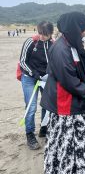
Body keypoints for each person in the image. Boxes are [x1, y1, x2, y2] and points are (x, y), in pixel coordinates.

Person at [40, 12, 85, 173]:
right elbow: (69, 80)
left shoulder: (72, 44)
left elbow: (78, 70)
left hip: (77, 102)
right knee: (67, 142)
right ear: (76, 29)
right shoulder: (60, 48)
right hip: (66, 106)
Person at [19, 21, 54, 150]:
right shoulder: (31, 42)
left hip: (45, 79)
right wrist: (34, 73)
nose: (42, 37)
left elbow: (55, 62)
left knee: (47, 104)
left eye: (45, 34)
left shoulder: (53, 44)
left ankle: (44, 128)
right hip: (29, 78)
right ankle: (30, 134)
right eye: (40, 33)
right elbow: (22, 61)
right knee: (31, 107)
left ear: (51, 33)